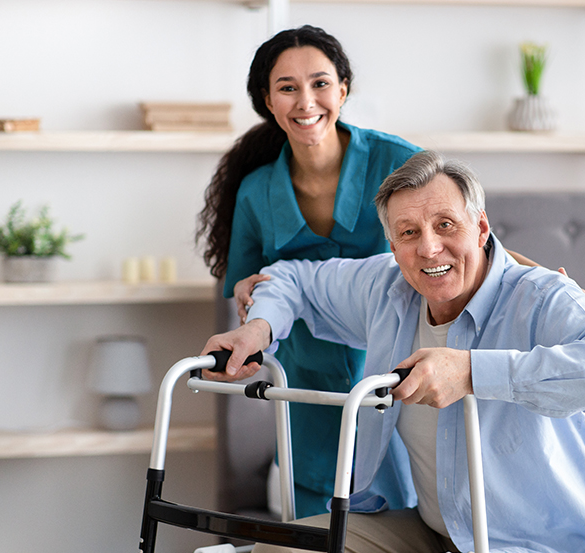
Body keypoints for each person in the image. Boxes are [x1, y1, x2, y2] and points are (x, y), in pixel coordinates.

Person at [200, 150, 585, 553]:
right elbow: (296, 280)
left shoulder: (541, 297)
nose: (429, 248)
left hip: (546, 547)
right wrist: (259, 329)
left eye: (445, 226)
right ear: (392, 245)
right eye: (409, 232)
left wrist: (473, 371)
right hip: (437, 526)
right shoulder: (387, 287)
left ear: (481, 227)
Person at [195, 24, 544, 519]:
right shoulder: (256, 190)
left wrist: (539, 277)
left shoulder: (397, 161)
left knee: (407, 501)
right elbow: (249, 284)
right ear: (267, 101)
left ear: (343, 89)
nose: (305, 101)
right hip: (307, 367)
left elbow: (468, 241)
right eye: (287, 88)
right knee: (319, 519)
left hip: (398, 358)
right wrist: (248, 296)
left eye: (319, 83)